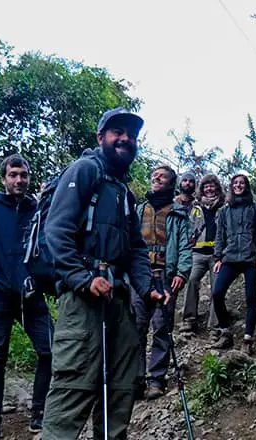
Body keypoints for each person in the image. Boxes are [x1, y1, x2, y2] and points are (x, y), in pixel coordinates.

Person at [42, 108, 167, 440]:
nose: (126, 138)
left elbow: (136, 250)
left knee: (120, 391)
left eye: (132, 134)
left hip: (118, 300)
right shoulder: (84, 171)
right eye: (117, 132)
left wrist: (148, 287)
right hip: (83, 300)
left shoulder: (125, 192)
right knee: (74, 386)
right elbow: (56, 231)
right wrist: (83, 278)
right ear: (101, 138)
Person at [0, 154, 53, 439]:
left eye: (23, 175)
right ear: (3, 179)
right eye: (13, 174)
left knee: (49, 350)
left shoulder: (37, 210)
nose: (19, 180)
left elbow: (49, 246)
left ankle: (39, 413)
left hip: (31, 294)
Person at [132, 164, 192, 400]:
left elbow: (186, 245)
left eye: (162, 176)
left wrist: (182, 272)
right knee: (136, 327)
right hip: (140, 276)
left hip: (166, 276)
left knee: (161, 327)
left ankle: (156, 379)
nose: (156, 178)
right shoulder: (139, 210)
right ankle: (135, 380)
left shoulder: (178, 214)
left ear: (170, 183)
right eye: (154, 175)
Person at [211, 173, 256, 355]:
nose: (238, 185)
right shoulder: (224, 211)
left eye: (242, 183)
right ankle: (226, 332)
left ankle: (247, 339)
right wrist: (218, 258)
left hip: (251, 259)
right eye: (235, 183)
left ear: (247, 186)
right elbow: (220, 236)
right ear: (231, 186)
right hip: (229, 258)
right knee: (217, 293)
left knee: (250, 298)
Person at [179, 173, 225, 340]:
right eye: (206, 186)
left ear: (217, 188)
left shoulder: (224, 207)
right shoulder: (194, 207)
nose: (209, 188)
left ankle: (214, 326)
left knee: (217, 288)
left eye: (212, 186)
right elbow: (187, 228)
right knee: (191, 281)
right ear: (202, 189)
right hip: (197, 253)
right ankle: (189, 320)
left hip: (216, 255)